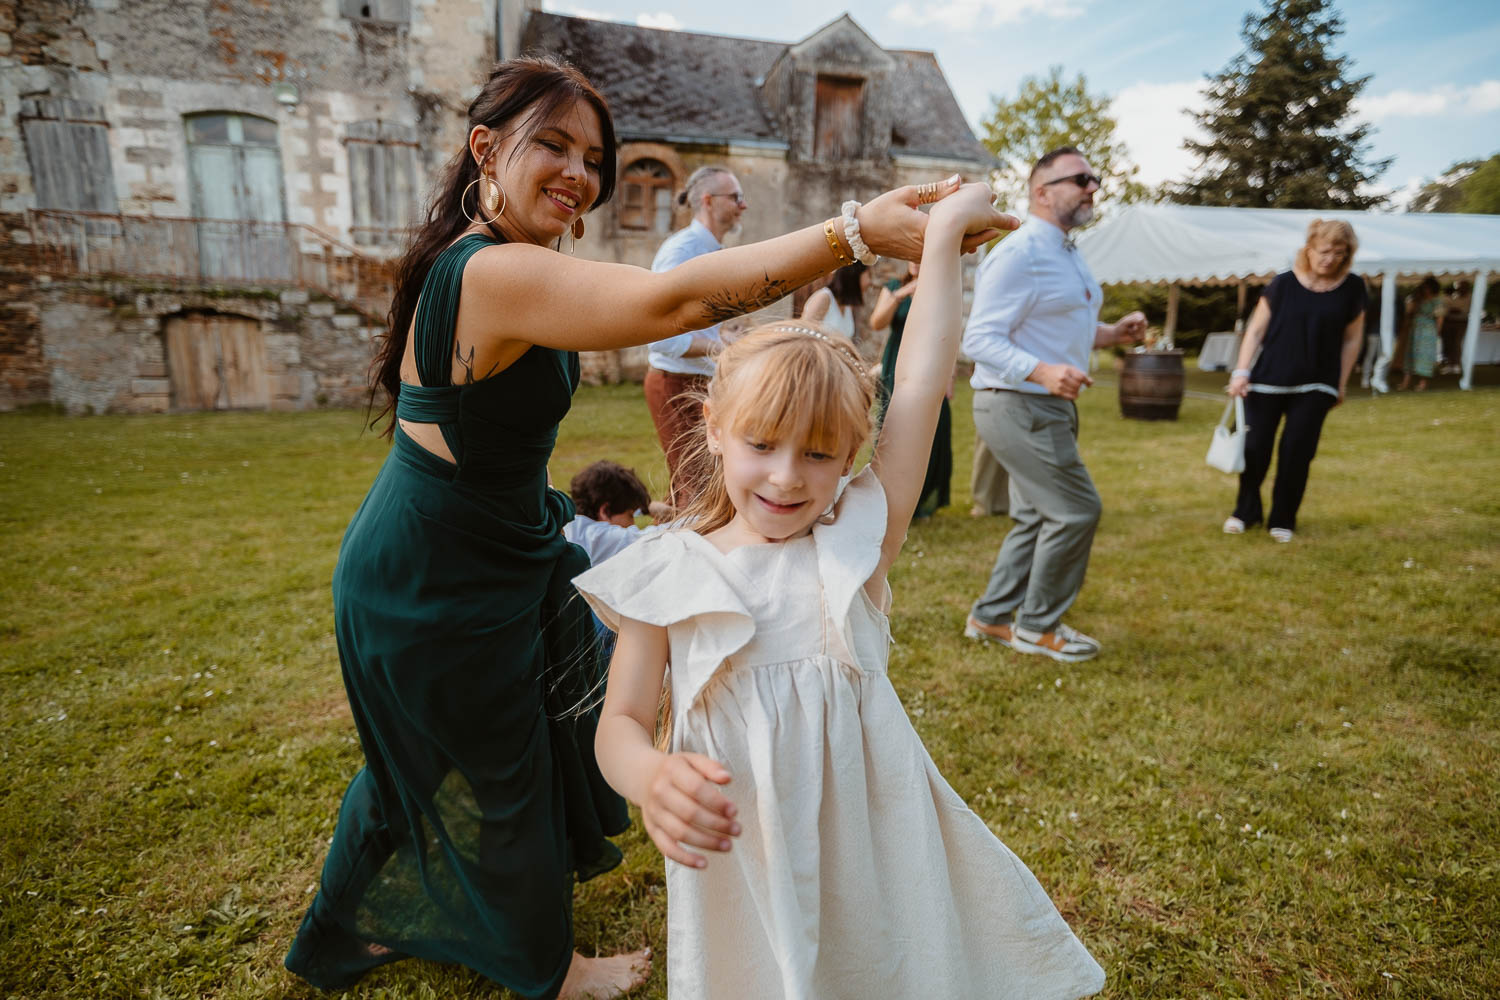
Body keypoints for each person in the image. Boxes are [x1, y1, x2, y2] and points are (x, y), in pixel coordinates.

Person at [283, 55, 990, 999]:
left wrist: (930, 249)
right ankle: (547, 967)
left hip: (508, 541)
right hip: (433, 569)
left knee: (469, 744)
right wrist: (856, 231)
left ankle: (346, 925)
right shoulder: (486, 271)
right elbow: (673, 303)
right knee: (495, 762)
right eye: (556, 146)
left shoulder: (511, 262)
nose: (579, 172)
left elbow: (920, 383)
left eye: (594, 155)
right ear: (485, 148)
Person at [577, 183, 1104, 999]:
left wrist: (944, 243)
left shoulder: (857, 542)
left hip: (874, 848)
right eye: (761, 443)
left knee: (880, 972)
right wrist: (648, 777)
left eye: (821, 455)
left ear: (855, 452)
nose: (788, 477)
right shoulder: (668, 572)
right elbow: (619, 723)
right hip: (742, 860)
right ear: (712, 427)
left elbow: (923, 380)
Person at [960, 147, 1146, 663]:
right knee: (1076, 510)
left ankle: (992, 617)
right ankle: (1038, 627)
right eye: (1081, 179)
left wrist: (1111, 334)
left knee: (1038, 516)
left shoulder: (1065, 250)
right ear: (1041, 191)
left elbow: (1057, 330)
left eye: (1095, 179)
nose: (1093, 187)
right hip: (1018, 403)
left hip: (1043, 405)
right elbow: (978, 338)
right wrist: (1043, 371)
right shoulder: (1021, 253)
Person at [1224, 219, 1366, 542]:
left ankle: (1283, 519)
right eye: (1324, 251)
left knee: (1297, 451)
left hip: (1317, 383)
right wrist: (1241, 371)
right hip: (1267, 380)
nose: (1330, 259)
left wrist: (1340, 383)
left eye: (1339, 253)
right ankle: (1246, 511)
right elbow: (1256, 330)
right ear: (1309, 248)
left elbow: (1351, 340)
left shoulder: (1353, 287)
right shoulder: (1283, 284)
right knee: (1255, 448)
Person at [645, 166, 747, 509]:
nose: (742, 205)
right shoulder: (681, 251)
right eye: (735, 197)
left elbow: (692, 322)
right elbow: (660, 336)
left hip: (701, 380)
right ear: (708, 201)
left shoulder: (713, 250)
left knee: (700, 483)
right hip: (674, 383)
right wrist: (721, 346)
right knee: (694, 487)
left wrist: (724, 332)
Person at [871, 259, 952, 517]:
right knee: (893, 425)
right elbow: (877, 323)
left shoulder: (941, 285)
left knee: (935, 427)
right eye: (911, 256)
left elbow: (949, 332)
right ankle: (883, 496)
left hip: (930, 360)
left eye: (921, 256)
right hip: (897, 361)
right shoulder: (893, 286)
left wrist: (949, 375)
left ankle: (922, 498)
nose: (915, 261)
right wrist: (901, 294)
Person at [801, 261, 869, 342]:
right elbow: (803, 335)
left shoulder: (847, 306)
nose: (869, 282)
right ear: (854, 276)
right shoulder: (823, 298)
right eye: (868, 275)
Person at [1398, 276, 1443, 391]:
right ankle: (1405, 382)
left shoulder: (1437, 301)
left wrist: (1437, 332)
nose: (1425, 289)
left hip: (1428, 332)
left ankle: (1422, 383)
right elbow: (1410, 312)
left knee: (1424, 356)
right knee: (1410, 354)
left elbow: (1439, 318)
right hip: (1415, 330)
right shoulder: (1418, 299)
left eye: (1427, 287)